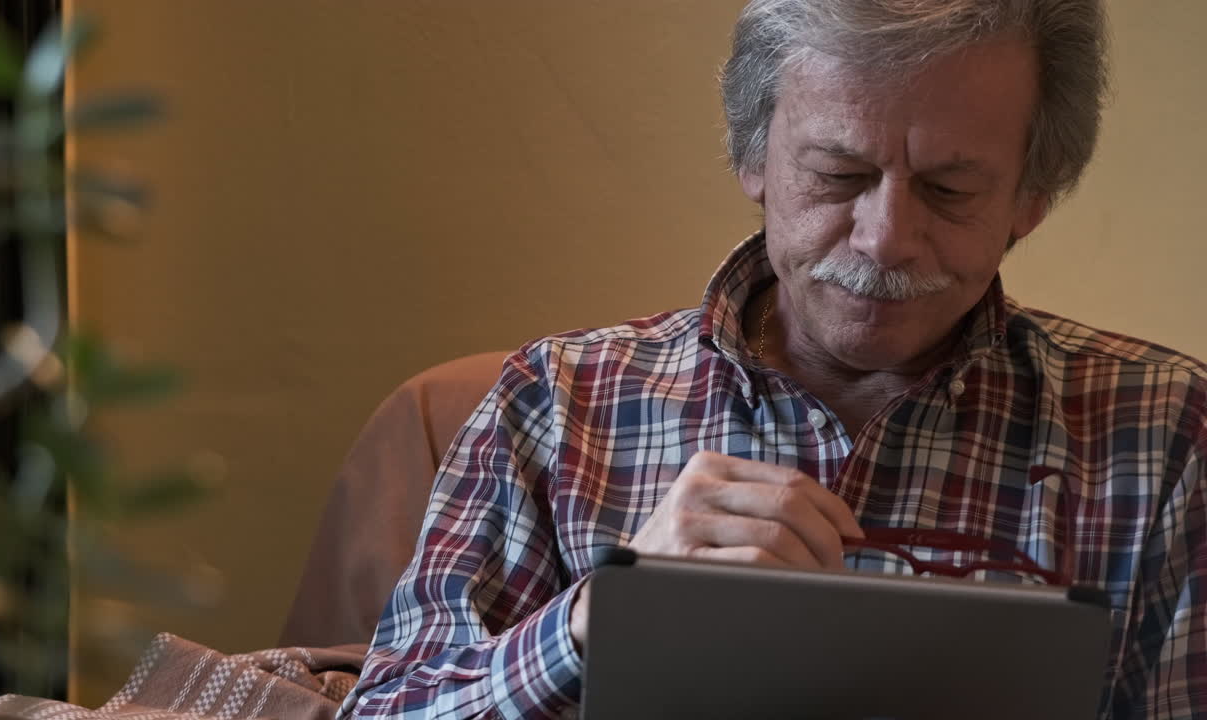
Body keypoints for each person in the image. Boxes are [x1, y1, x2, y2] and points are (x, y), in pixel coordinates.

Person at [342, 1, 1207, 718]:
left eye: (950, 190)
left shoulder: (1166, 432)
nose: (885, 238)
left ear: (1030, 201)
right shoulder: (557, 403)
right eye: (838, 174)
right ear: (753, 158)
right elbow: (388, 708)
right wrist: (600, 615)